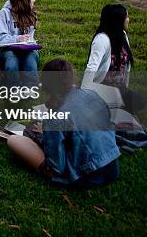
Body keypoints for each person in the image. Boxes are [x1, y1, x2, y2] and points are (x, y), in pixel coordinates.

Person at [7, 59, 120, 188]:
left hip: (86, 175)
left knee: (13, 140)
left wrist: (42, 137)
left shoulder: (56, 118)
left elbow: (57, 167)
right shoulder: (92, 94)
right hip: (112, 167)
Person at [0, 0, 39, 86]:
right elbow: (0, 39)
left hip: (26, 48)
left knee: (30, 60)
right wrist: (18, 38)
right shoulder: (4, 13)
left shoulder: (32, 15)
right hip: (5, 49)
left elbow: (30, 37)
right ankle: (13, 90)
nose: (34, 0)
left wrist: (29, 42)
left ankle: (30, 89)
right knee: (12, 63)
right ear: (24, 0)